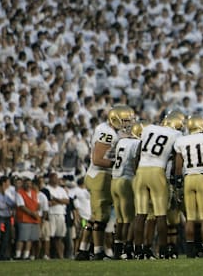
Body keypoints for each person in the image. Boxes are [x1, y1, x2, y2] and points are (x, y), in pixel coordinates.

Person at [76, 105, 133, 261]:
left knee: (94, 217)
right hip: (100, 175)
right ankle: (98, 251)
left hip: (98, 175)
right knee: (102, 217)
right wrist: (118, 164)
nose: (127, 124)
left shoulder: (106, 128)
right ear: (115, 119)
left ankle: (83, 250)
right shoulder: (107, 133)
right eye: (125, 120)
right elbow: (98, 159)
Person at [133, 111, 183, 260]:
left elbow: (138, 153)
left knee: (141, 215)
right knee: (161, 215)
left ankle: (138, 251)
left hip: (141, 170)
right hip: (157, 171)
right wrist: (175, 180)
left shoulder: (149, 128)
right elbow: (176, 161)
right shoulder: (177, 135)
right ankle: (163, 250)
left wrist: (138, 171)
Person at [173, 115, 203, 258]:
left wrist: (178, 183)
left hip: (188, 178)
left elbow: (178, 166)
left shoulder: (181, 140)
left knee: (190, 218)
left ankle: (190, 251)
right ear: (202, 125)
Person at [110, 121, 141, 259]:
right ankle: (127, 250)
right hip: (126, 180)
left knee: (120, 219)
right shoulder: (135, 143)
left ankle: (117, 249)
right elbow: (135, 161)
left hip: (114, 179)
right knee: (130, 218)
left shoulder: (121, 142)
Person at [14, 172, 41, 260]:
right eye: (26, 184)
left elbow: (37, 204)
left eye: (30, 184)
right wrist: (32, 213)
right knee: (22, 238)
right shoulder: (20, 193)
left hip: (33, 219)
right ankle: (18, 255)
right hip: (24, 218)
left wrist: (36, 212)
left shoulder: (34, 193)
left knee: (30, 238)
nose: (28, 185)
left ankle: (26, 255)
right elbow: (21, 206)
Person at [46, 172, 70, 259]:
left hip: (61, 214)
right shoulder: (46, 189)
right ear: (50, 179)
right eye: (54, 178)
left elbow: (67, 201)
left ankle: (60, 256)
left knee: (60, 237)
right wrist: (60, 201)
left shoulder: (61, 189)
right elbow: (49, 203)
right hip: (51, 214)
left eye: (57, 178)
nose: (56, 180)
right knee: (50, 236)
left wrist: (56, 200)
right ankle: (48, 255)